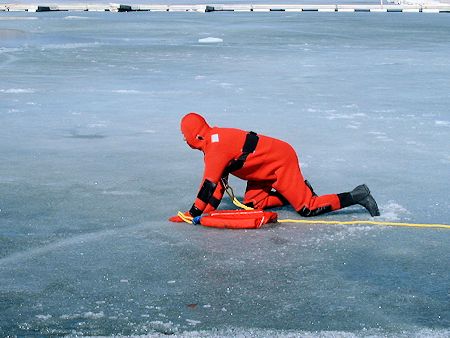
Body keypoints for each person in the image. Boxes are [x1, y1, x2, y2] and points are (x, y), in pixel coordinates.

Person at [169, 112, 380, 222]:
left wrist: (191, 213)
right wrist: (205, 213)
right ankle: (298, 191)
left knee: (308, 208)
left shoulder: (215, 148)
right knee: (253, 205)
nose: (184, 140)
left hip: (279, 160)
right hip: (260, 169)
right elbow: (218, 187)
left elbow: (208, 185)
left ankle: (358, 196)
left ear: (194, 135)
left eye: (183, 136)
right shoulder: (213, 141)